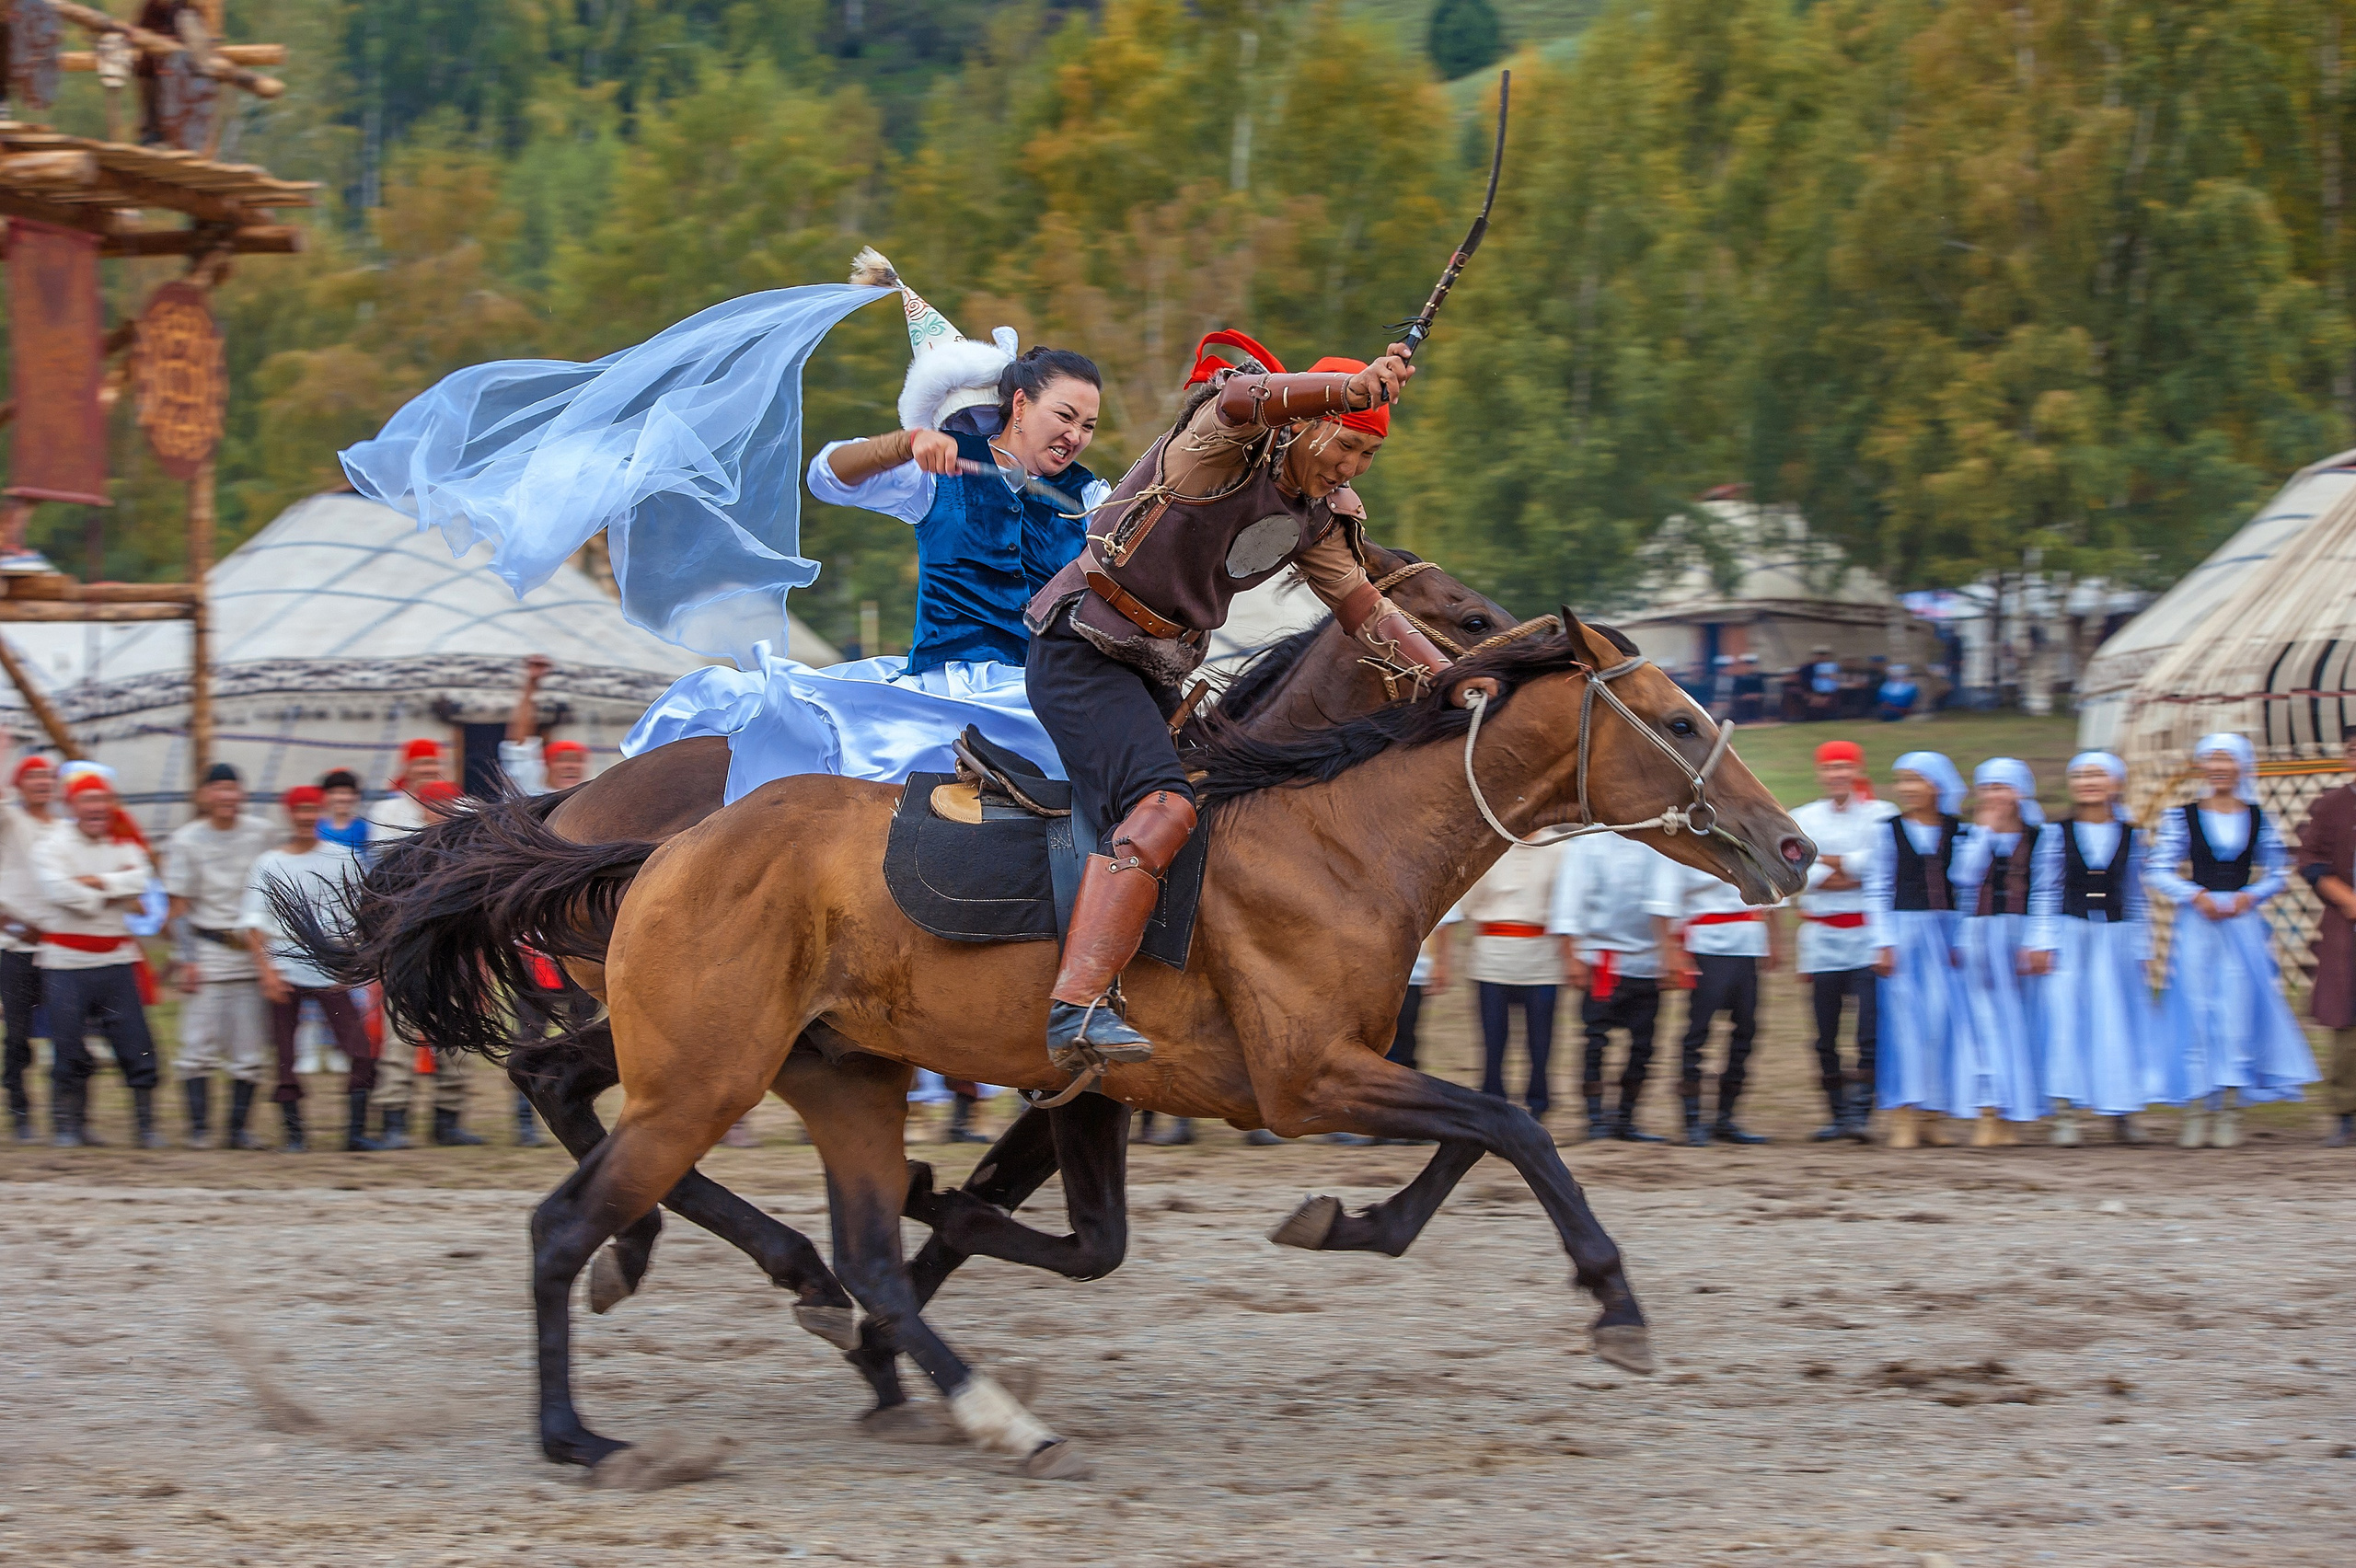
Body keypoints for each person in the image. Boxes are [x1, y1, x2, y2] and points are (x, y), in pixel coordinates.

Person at [1020, 330, 1446, 1069]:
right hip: (1080, 656)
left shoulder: (1318, 513)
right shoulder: (1228, 438)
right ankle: (1075, 1006)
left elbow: (1361, 606)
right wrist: (1348, 386)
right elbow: (1244, 395)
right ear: (1311, 421)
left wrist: (1447, 676)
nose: (1352, 465)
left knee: (1214, 828)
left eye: (1367, 455)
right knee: (1165, 806)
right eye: (1345, 443)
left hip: (1157, 676)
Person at [624, 252, 1111, 801]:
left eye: (1088, 426)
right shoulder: (938, 471)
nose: (1076, 436)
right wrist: (904, 443)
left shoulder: (1091, 497)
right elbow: (826, 476)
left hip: (1039, 693)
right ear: (1019, 405)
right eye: (1065, 416)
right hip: (942, 695)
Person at [2145, 732, 2319, 1147]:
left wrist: (2250, 896)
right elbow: (2157, 868)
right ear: (2203, 767)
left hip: (2241, 926)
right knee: (2195, 1006)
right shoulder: (2182, 817)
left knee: (2237, 1008)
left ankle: (2228, 1105)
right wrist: (2194, 895)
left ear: (2241, 767)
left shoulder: (2257, 818)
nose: (2220, 769)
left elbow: (2279, 870)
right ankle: (2195, 1104)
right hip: (2198, 924)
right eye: (2213, 761)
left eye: (2228, 761)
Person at [243, 785, 384, 1153]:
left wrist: (352, 960)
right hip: (286, 968)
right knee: (286, 1056)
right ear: (289, 815)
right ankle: (294, 1135)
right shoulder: (270, 864)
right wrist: (267, 972)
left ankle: (355, 1132)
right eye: (299, 810)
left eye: (311, 809)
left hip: (331, 970)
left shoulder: (340, 860)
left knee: (359, 1050)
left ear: (320, 813)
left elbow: (362, 915)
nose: (306, 817)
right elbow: (254, 922)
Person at [32, 767, 162, 1147]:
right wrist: (111, 890)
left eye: (102, 801)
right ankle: (70, 1126)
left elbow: (140, 881)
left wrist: (93, 882)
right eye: (87, 801)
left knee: (136, 1041)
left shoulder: (125, 843)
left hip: (116, 959)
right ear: (72, 806)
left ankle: (146, 1126)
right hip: (65, 963)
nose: (96, 809)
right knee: (69, 1046)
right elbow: (59, 893)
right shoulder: (52, 844)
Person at [2039, 752, 2160, 1146]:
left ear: (2116, 784)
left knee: (2118, 1022)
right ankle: (2066, 1114)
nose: (2088, 782)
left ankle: (2122, 1110)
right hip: (2071, 933)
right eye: (2080, 776)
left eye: (2097, 775)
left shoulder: (2131, 835)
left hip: (2117, 937)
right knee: (2067, 1020)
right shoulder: (2057, 833)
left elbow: (2136, 894)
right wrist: (2043, 940)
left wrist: (2142, 946)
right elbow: (2046, 890)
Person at [163, 762, 282, 1149]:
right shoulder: (186, 840)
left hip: (252, 953)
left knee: (249, 1050)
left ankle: (238, 1130)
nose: (226, 796)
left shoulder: (261, 834)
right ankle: (199, 1130)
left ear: (241, 794)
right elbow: (178, 906)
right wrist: (186, 959)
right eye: (218, 788)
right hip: (207, 951)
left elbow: (274, 892)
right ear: (204, 795)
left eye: (233, 788)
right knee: (197, 1047)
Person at [1789, 740, 1896, 1142]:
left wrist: (1827, 860)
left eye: (1844, 767)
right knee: (1825, 1032)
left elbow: (1880, 866)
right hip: (1821, 939)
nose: (1837, 775)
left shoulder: (1882, 815)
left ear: (1856, 771)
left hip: (1868, 936)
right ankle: (1836, 1114)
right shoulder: (1803, 817)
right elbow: (1799, 869)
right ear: (1821, 773)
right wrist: (1851, 866)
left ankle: (1860, 1114)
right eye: (1830, 768)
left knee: (1868, 1030)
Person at [1948, 757, 2056, 1147]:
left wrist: (2040, 940)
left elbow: (2046, 891)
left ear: (2021, 791)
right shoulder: (1971, 835)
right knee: (1984, 1019)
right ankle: (1990, 1108)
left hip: (2020, 934)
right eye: (1988, 788)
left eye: (2003, 787)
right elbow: (1962, 878)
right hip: (1979, 933)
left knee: (2020, 1022)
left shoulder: (2044, 837)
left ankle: (2017, 1106)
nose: (1995, 795)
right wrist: (1985, 834)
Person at [1867, 751, 1970, 1148]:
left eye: (1917, 780)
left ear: (1938, 785)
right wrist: (1883, 940)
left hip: (1947, 936)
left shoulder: (1960, 831)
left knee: (1944, 1023)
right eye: (1902, 781)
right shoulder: (1887, 830)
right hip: (1904, 933)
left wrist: (1963, 938)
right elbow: (1878, 887)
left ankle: (1934, 1114)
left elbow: (1966, 889)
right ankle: (1905, 1114)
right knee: (1905, 1024)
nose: (1908, 789)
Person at [1650, 852, 1779, 1146]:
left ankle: (1726, 1117)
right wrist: (1670, 950)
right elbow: (1664, 901)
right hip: (1707, 944)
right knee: (1698, 1033)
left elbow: (1773, 892)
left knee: (1745, 1031)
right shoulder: (1690, 840)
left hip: (1748, 942)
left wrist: (1775, 939)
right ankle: (1693, 1120)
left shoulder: (1750, 836)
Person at [1549, 831, 1668, 1143]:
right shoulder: (1588, 845)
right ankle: (1596, 1118)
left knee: (1642, 1045)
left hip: (1647, 961)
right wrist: (1571, 956)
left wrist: (1670, 953)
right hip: (1603, 960)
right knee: (1595, 1041)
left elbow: (1666, 899)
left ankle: (1627, 1118)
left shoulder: (1657, 845)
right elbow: (1568, 899)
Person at [1459, 842, 1567, 1128]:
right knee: (1493, 1040)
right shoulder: (1488, 849)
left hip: (1542, 959)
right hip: (1492, 957)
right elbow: (1468, 901)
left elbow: (1568, 903)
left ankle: (1539, 1104)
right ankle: (1493, 1102)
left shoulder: (1561, 851)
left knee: (1540, 1041)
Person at [2296, 725, 2356, 1147]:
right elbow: (2311, 860)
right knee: (2349, 1022)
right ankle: (2345, 1113)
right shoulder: (2332, 805)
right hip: (2348, 923)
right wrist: (2346, 899)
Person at [1, 754, 56, 1140]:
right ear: (19, 784)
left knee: (68, 1034)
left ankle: (68, 1119)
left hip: (59, 948)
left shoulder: (66, 829)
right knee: (18, 1034)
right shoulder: (10, 821)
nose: (41, 782)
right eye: (32, 776)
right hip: (15, 943)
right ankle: (20, 1112)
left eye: (46, 776)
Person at [503, 655, 595, 796]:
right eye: (561, 760)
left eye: (577, 761)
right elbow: (519, 741)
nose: (570, 767)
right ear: (544, 765)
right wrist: (532, 683)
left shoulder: (589, 802)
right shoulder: (528, 788)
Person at [367, 739, 448, 854]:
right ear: (406, 769)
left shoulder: (464, 807)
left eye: (433, 763)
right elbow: (380, 852)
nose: (428, 770)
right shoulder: (386, 809)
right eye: (422, 764)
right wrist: (425, 823)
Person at [315, 769, 371, 859]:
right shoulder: (314, 827)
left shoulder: (366, 828)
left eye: (346, 793)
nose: (341, 798)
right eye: (334, 793)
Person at [1729, 654, 1766, 725]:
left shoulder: (1757, 677)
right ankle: (1744, 720)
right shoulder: (1739, 678)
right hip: (1742, 697)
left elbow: (1761, 689)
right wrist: (1744, 695)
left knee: (1756, 701)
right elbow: (1737, 690)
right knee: (1741, 702)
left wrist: (1755, 695)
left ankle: (1756, 720)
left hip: (1756, 697)